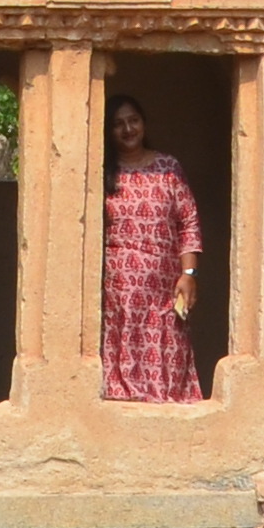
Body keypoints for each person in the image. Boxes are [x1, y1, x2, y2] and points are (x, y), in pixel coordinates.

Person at [101, 96, 205, 403]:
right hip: (118, 292)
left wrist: (189, 274)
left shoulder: (168, 168)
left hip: (163, 291)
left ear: (144, 123)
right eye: (118, 124)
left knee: (167, 352)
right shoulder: (102, 172)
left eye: (133, 120)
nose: (127, 129)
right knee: (122, 355)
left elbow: (188, 222)